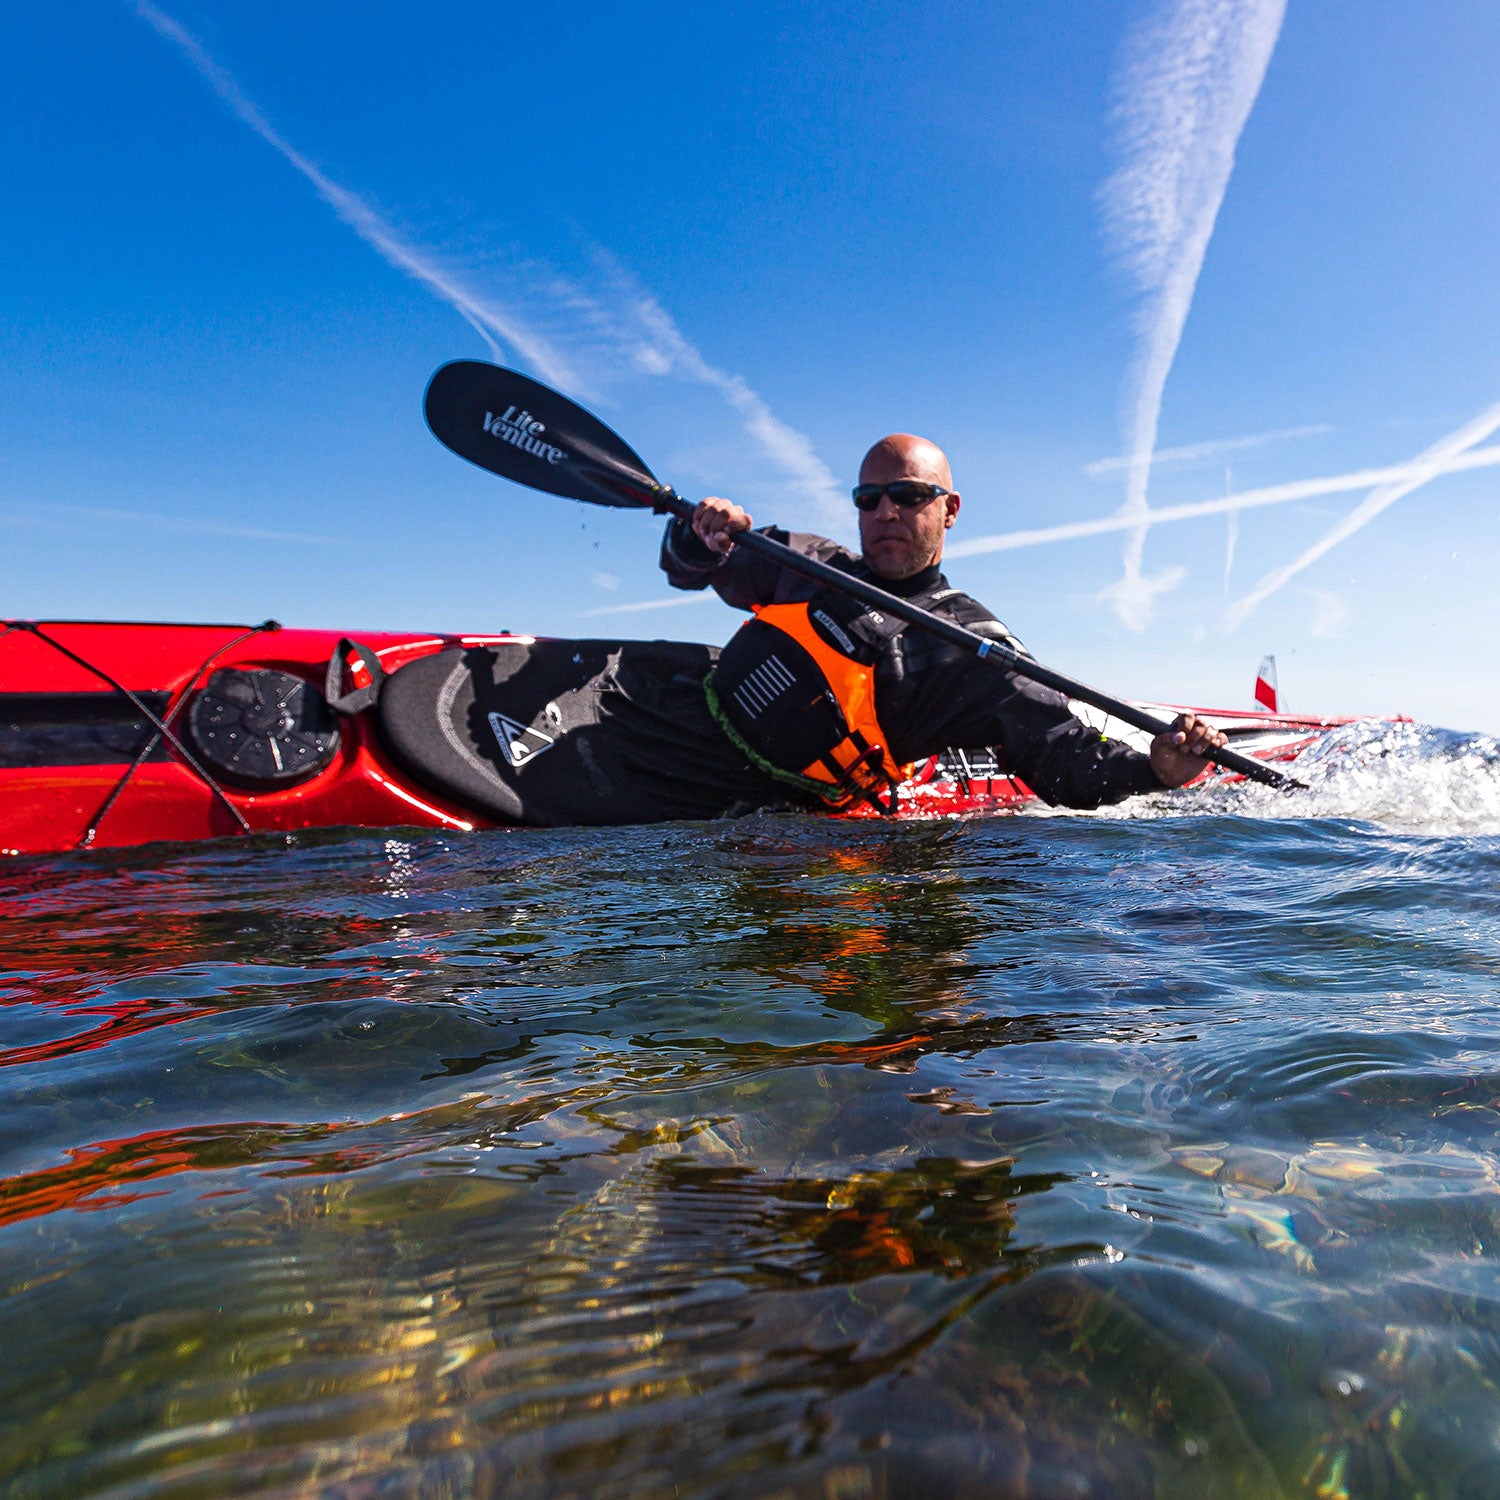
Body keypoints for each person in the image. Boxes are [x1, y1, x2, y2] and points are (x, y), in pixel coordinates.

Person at [659, 432, 1227, 812]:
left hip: (765, 811)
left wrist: (1155, 768)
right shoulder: (813, 564)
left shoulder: (975, 650)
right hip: (669, 714)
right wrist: (702, 533)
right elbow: (690, 569)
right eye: (869, 497)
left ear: (949, 510)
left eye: (908, 495)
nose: (886, 511)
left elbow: (1062, 757)